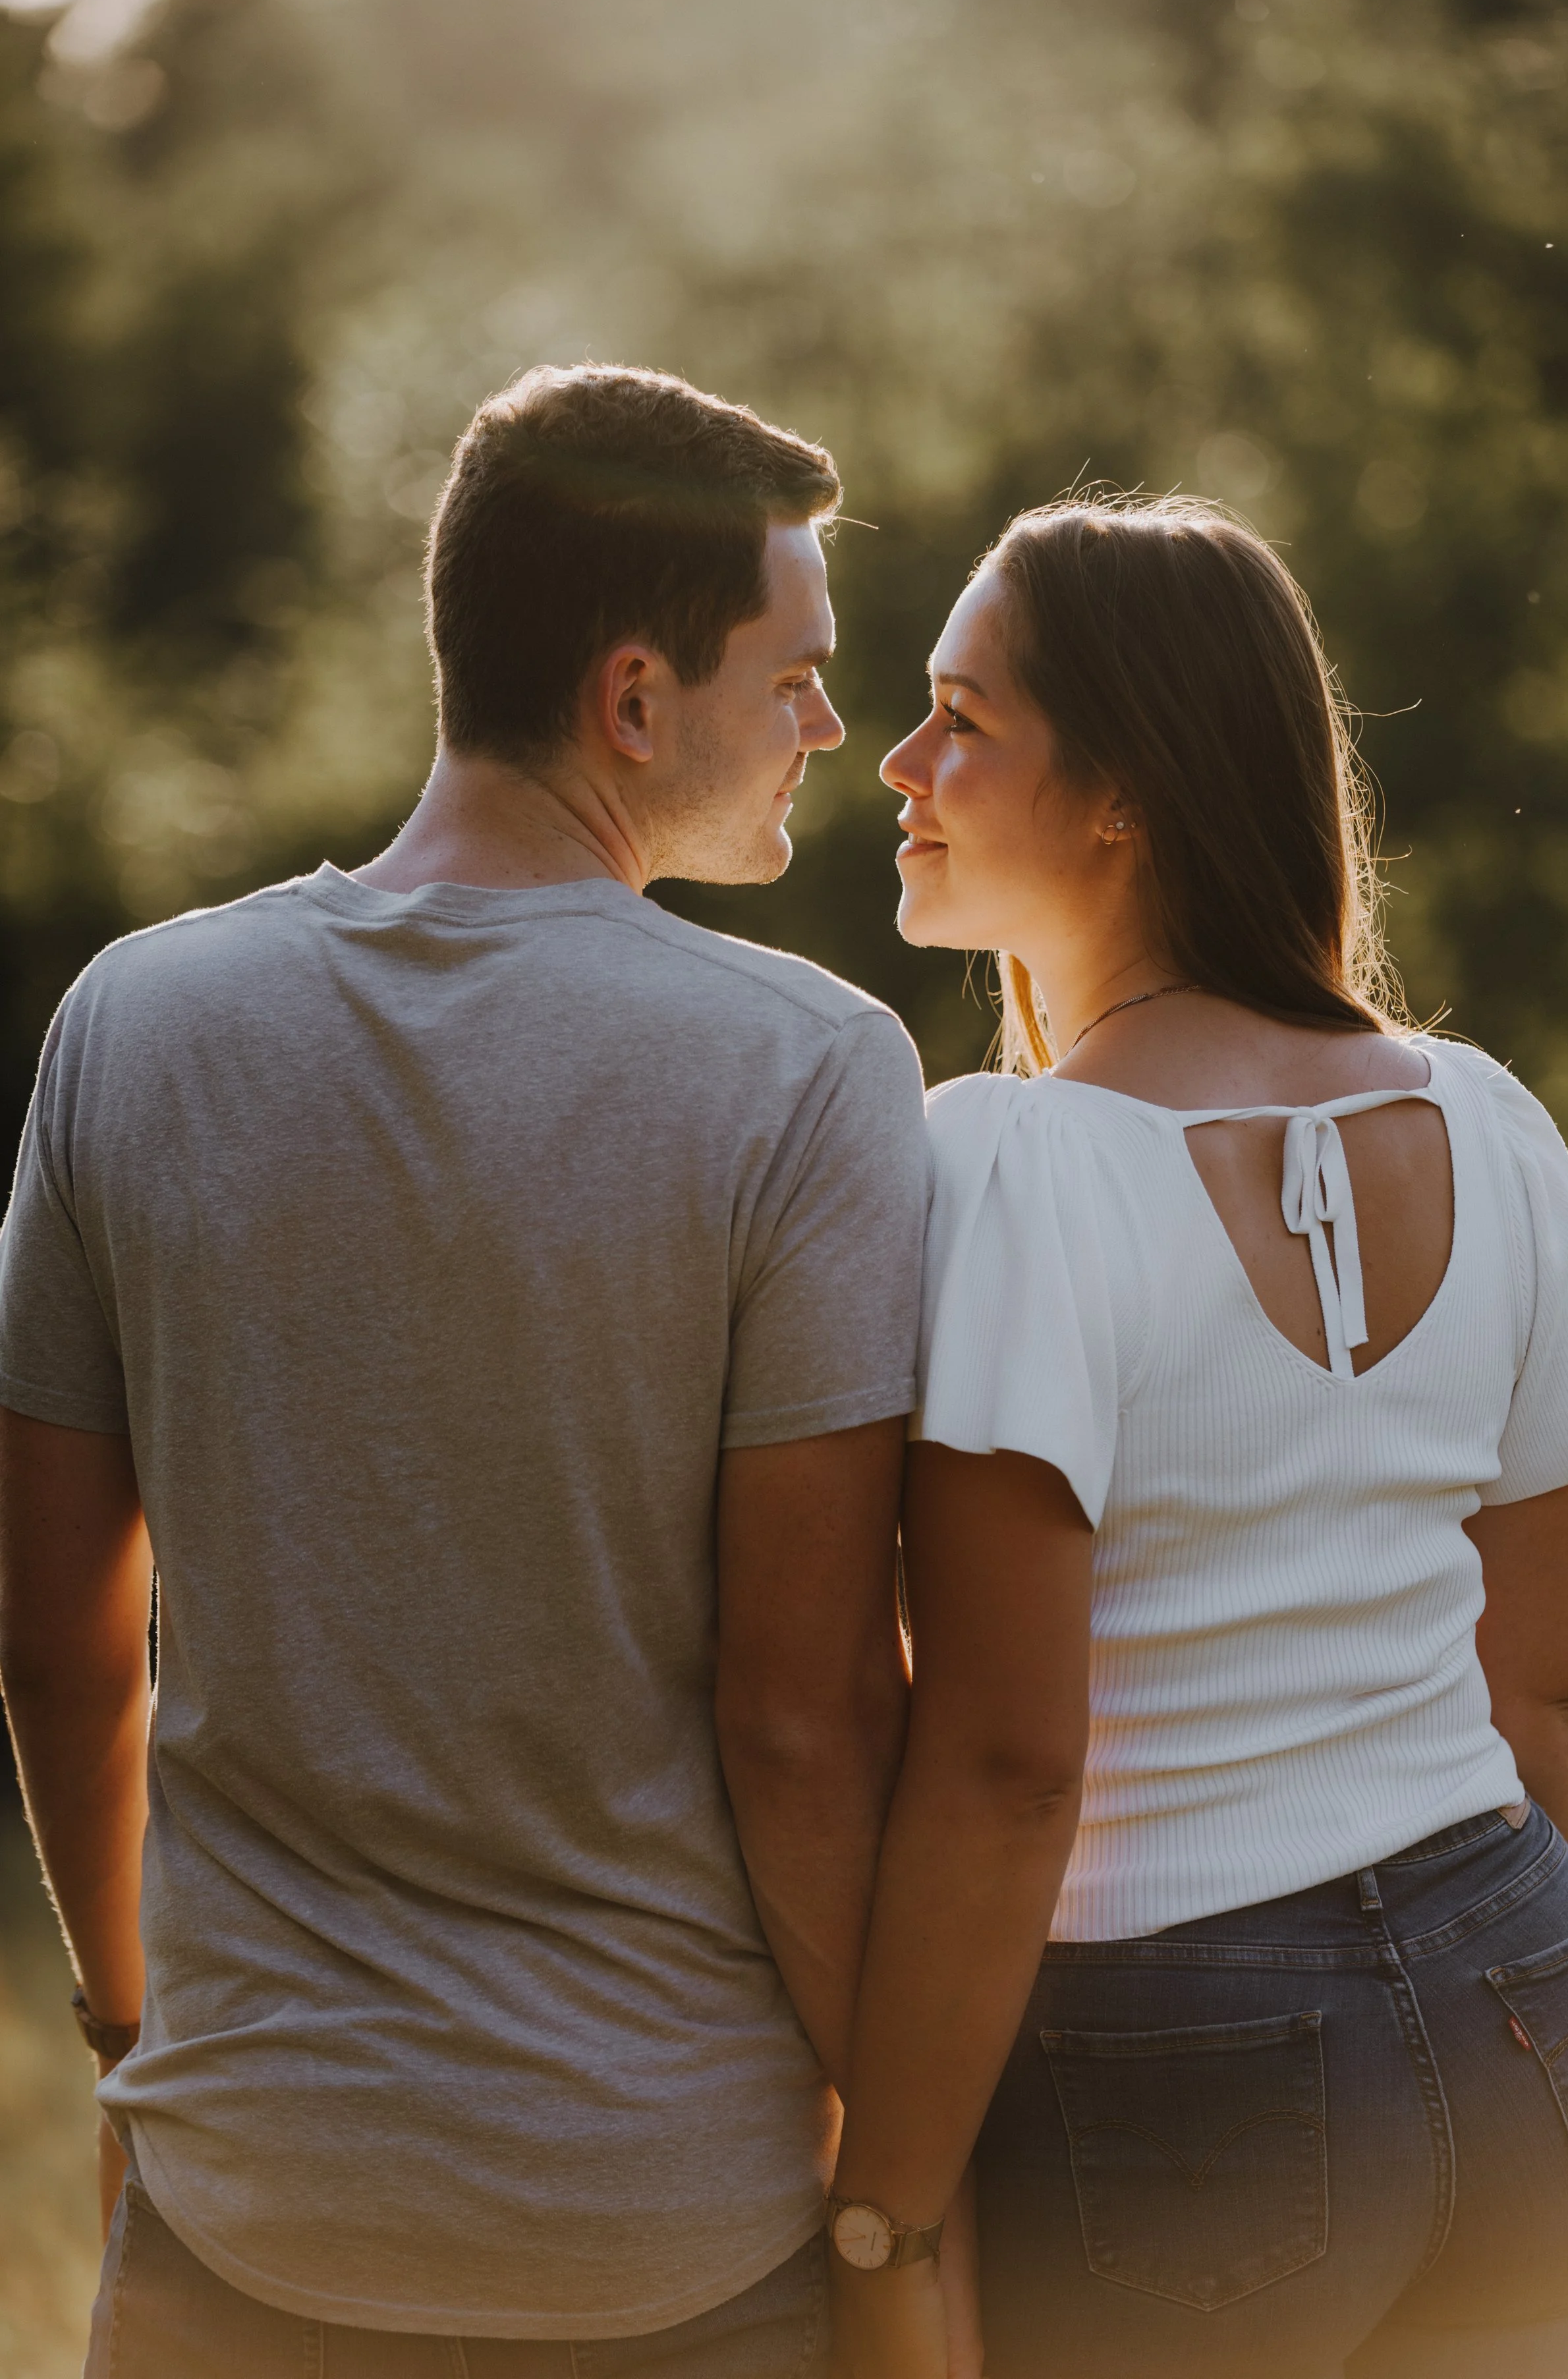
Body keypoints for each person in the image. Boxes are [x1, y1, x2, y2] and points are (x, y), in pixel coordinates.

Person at [0, 364, 930, 2375]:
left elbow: (63, 1640)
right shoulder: (806, 1071)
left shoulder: (132, 1025)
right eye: (792, 676)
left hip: (242, 2212)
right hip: (665, 2237)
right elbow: (803, 1715)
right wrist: (903, 2163)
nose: (830, 729)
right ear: (629, 699)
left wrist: (128, 2030)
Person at [826, 495, 1568, 2379]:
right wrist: (1469, 2008)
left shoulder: (1007, 1164)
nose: (900, 759)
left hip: (1184, 2062)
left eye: (962, 717)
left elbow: (1009, 1766)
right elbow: (1542, 1697)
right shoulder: (1498, 1124)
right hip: (1538, 2001)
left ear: (1120, 797)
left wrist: (887, 2220)